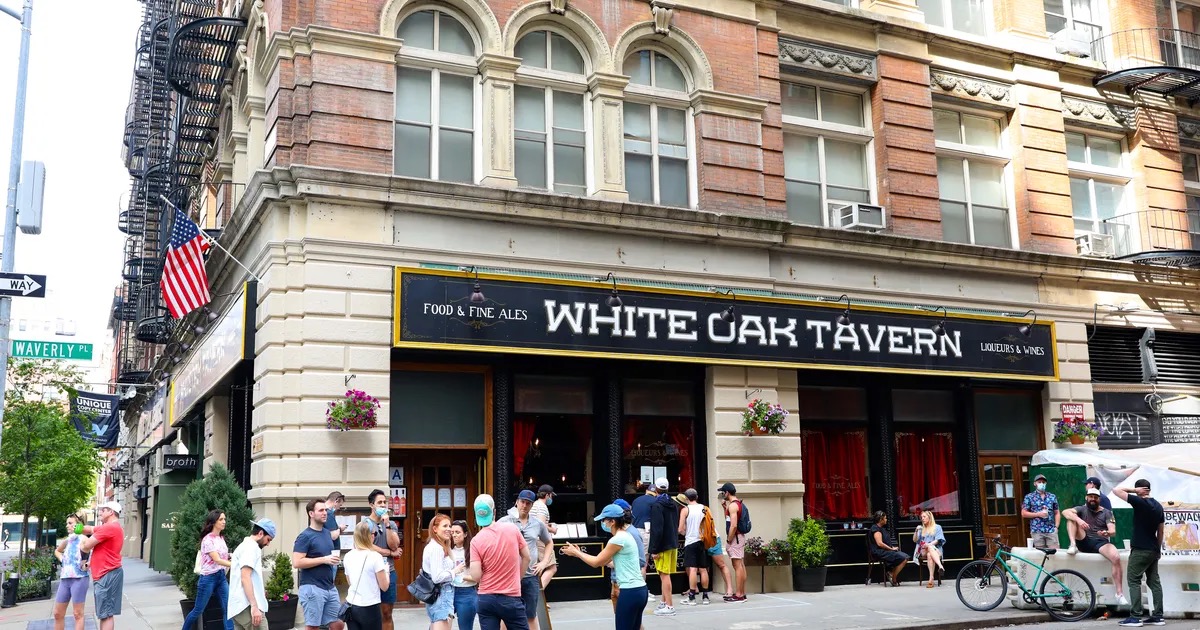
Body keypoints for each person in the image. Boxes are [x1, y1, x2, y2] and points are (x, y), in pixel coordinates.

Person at [561, 504, 647, 630]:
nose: (602, 523)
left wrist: (576, 553)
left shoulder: (617, 539)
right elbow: (604, 561)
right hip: (639, 590)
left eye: (603, 520)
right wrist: (580, 553)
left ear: (612, 521)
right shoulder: (626, 535)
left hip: (630, 591)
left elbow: (596, 562)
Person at [468, 494, 530, 630]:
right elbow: (527, 557)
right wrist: (517, 578)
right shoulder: (512, 529)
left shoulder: (476, 541)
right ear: (494, 512)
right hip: (511, 596)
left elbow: (476, 576)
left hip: (486, 598)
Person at [1113, 479, 1165, 627]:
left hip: (1140, 549)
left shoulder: (1139, 502)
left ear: (1141, 489)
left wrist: (1135, 491)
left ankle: (1135, 617)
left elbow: (1116, 490)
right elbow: (1160, 531)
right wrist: (1158, 549)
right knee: (1154, 581)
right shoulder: (1159, 507)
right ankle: (1158, 616)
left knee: (1133, 580)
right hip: (1153, 548)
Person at [500, 490, 554, 630]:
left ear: (531, 505)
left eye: (528, 503)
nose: (524, 505)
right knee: (506, 615)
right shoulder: (505, 522)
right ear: (517, 502)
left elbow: (549, 542)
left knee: (530, 614)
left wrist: (544, 562)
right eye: (522, 502)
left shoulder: (537, 524)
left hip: (530, 575)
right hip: (509, 576)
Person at [1065, 488, 1128, 605]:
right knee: (1071, 518)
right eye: (1090, 497)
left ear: (1099, 499)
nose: (1093, 499)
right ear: (1086, 498)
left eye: (1095, 497)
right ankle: (1072, 544)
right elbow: (1065, 512)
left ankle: (1119, 593)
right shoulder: (1081, 509)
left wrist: (1107, 533)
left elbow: (1113, 531)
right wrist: (1079, 520)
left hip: (1100, 541)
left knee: (1116, 557)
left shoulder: (1107, 512)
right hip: (1083, 539)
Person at [292, 498, 345, 630]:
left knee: (338, 624)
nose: (325, 513)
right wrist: (324, 559)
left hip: (329, 587)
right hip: (312, 588)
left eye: (326, 510)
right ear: (311, 514)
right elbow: (297, 562)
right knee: (313, 627)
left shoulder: (327, 533)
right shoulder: (305, 536)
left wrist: (332, 560)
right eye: (321, 510)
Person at [184, 510, 235, 630]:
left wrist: (231, 555)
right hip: (208, 578)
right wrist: (235, 564)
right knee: (198, 610)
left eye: (224, 519)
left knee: (228, 608)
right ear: (214, 522)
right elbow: (216, 559)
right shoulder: (208, 540)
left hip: (221, 577)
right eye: (221, 519)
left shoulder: (220, 538)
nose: (224, 522)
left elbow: (222, 556)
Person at [79, 501, 125, 630]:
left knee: (105, 614)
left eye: (103, 510)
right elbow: (90, 529)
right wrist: (77, 527)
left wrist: (83, 544)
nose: (100, 512)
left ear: (111, 512)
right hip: (108, 573)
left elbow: (87, 546)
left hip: (106, 574)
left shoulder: (109, 528)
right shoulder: (113, 527)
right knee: (107, 613)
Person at [228, 517, 277, 630]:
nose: (268, 544)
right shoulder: (251, 548)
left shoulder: (244, 546)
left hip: (239, 606)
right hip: (247, 606)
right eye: (268, 539)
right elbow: (245, 577)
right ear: (260, 533)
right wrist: (254, 606)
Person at [344, 521, 390, 630]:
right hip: (370, 606)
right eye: (374, 534)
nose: (374, 537)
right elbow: (384, 586)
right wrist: (386, 571)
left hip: (352, 604)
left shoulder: (348, 556)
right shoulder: (375, 557)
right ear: (369, 536)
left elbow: (350, 581)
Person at [366, 489, 401, 630]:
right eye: (379, 502)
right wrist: (389, 553)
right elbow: (367, 546)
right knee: (372, 614)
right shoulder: (365, 525)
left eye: (384, 502)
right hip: (370, 574)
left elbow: (395, 545)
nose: (382, 505)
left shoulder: (390, 525)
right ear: (371, 505)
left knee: (387, 613)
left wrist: (387, 525)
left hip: (388, 572)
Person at [648, 477, 679, 616]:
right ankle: (664, 601)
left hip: (662, 545)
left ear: (656, 489)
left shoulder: (657, 505)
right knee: (663, 574)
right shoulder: (673, 503)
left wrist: (654, 549)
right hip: (672, 542)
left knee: (664, 575)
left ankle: (669, 605)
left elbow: (657, 529)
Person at [54, 513, 90, 630]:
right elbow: (57, 551)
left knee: (77, 614)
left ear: (78, 525)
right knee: (57, 614)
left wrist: (87, 564)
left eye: (70, 523)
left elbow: (94, 554)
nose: (67, 526)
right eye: (67, 523)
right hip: (65, 580)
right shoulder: (68, 540)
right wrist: (62, 559)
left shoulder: (84, 539)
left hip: (79, 579)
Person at [677, 489, 711, 605]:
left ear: (686, 498)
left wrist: (686, 533)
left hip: (690, 541)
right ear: (696, 497)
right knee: (703, 569)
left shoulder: (685, 510)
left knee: (692, 568)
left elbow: (680, 529)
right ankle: (705, 596)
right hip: (702, 541)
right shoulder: (704, 508)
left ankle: (692, 597)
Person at [423, 514, 457, 629]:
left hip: (442, 594)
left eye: (449, 526)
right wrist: (454, 572)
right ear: (435, 529)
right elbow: (437, 577)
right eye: (445, 526)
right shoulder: (436, 549)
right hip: (441, 593)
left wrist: (447, 543)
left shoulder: (438, 546)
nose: (449, 529)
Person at [718, 482, 748, 602]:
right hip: (739, 537)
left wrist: (729, 539)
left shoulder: (733, 506)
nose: (722, 494)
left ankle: (739, 595)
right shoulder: (737, 504)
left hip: (735, 538)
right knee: (740, 565)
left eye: (722, 492)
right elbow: (731, 519)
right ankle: (742, 593)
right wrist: (725, 508)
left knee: (737, 566)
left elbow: (733, 525)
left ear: (727, 492)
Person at [629, 481, 657, 593]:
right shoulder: (655, 502)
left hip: (634, 531)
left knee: (634, 561)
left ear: (647, 491)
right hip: (646, 532)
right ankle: (643, 590)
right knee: (643, 564)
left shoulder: (636, 500)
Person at [1020, 474, 1061, 549]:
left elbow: (1057, 512)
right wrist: (1038, 514)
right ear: (1035, 483)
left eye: (1043, 482)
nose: (1041, 484)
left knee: (1055, 553)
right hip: (1037, 530)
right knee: (1040, 555)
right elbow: (1024, 513)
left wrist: (1056, 527)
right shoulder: (1029, 497)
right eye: (1039, 482)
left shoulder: (1052, 496)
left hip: (1051, 530)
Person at [450, 520, 478, 630]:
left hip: (466, 593)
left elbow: (477, 577)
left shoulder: (472, 551)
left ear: (465, 534)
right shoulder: (447, 550)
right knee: (438, 625)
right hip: (449, 591)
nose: (454, 535)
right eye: (452, 532)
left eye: (457, 532)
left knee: (465, 627)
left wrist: (459, 576)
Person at [869, 511, 908, 586]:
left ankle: (891, 573)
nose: (886, 520)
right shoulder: (876, 529)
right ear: (881, 520)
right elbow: (879, 543)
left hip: (885, 551)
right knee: (904, 558)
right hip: (879, 552)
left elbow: (885, 542)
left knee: (905, 557)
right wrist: (891, 549)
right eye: (885, 518)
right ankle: (893, 577)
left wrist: (892, 547)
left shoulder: (882, 529)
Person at [531, 485, 558, 591]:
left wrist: (548, 524)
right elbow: (541, 524)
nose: (551, 498)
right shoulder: (542, 507)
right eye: (551, 495)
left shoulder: (534, 505)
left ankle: (537, 598)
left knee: (537, 569)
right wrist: (553, 530)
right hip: (542, 541)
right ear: (547, 495)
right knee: (552, 568)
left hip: (533, 539)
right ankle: (537, 595)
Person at [911, 510, 946, 588]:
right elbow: (915, 540)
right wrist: (916, 530)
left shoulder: (937, 527)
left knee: (930, 554)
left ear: (929, 518)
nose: (922, 519)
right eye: (921, 517)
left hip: (936, 550)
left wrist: (929, 545)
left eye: (924, 517)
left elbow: (937, 540)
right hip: (923, 551)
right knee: (929, 549)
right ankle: (940, 566)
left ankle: (931, 579)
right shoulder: (921, 528)